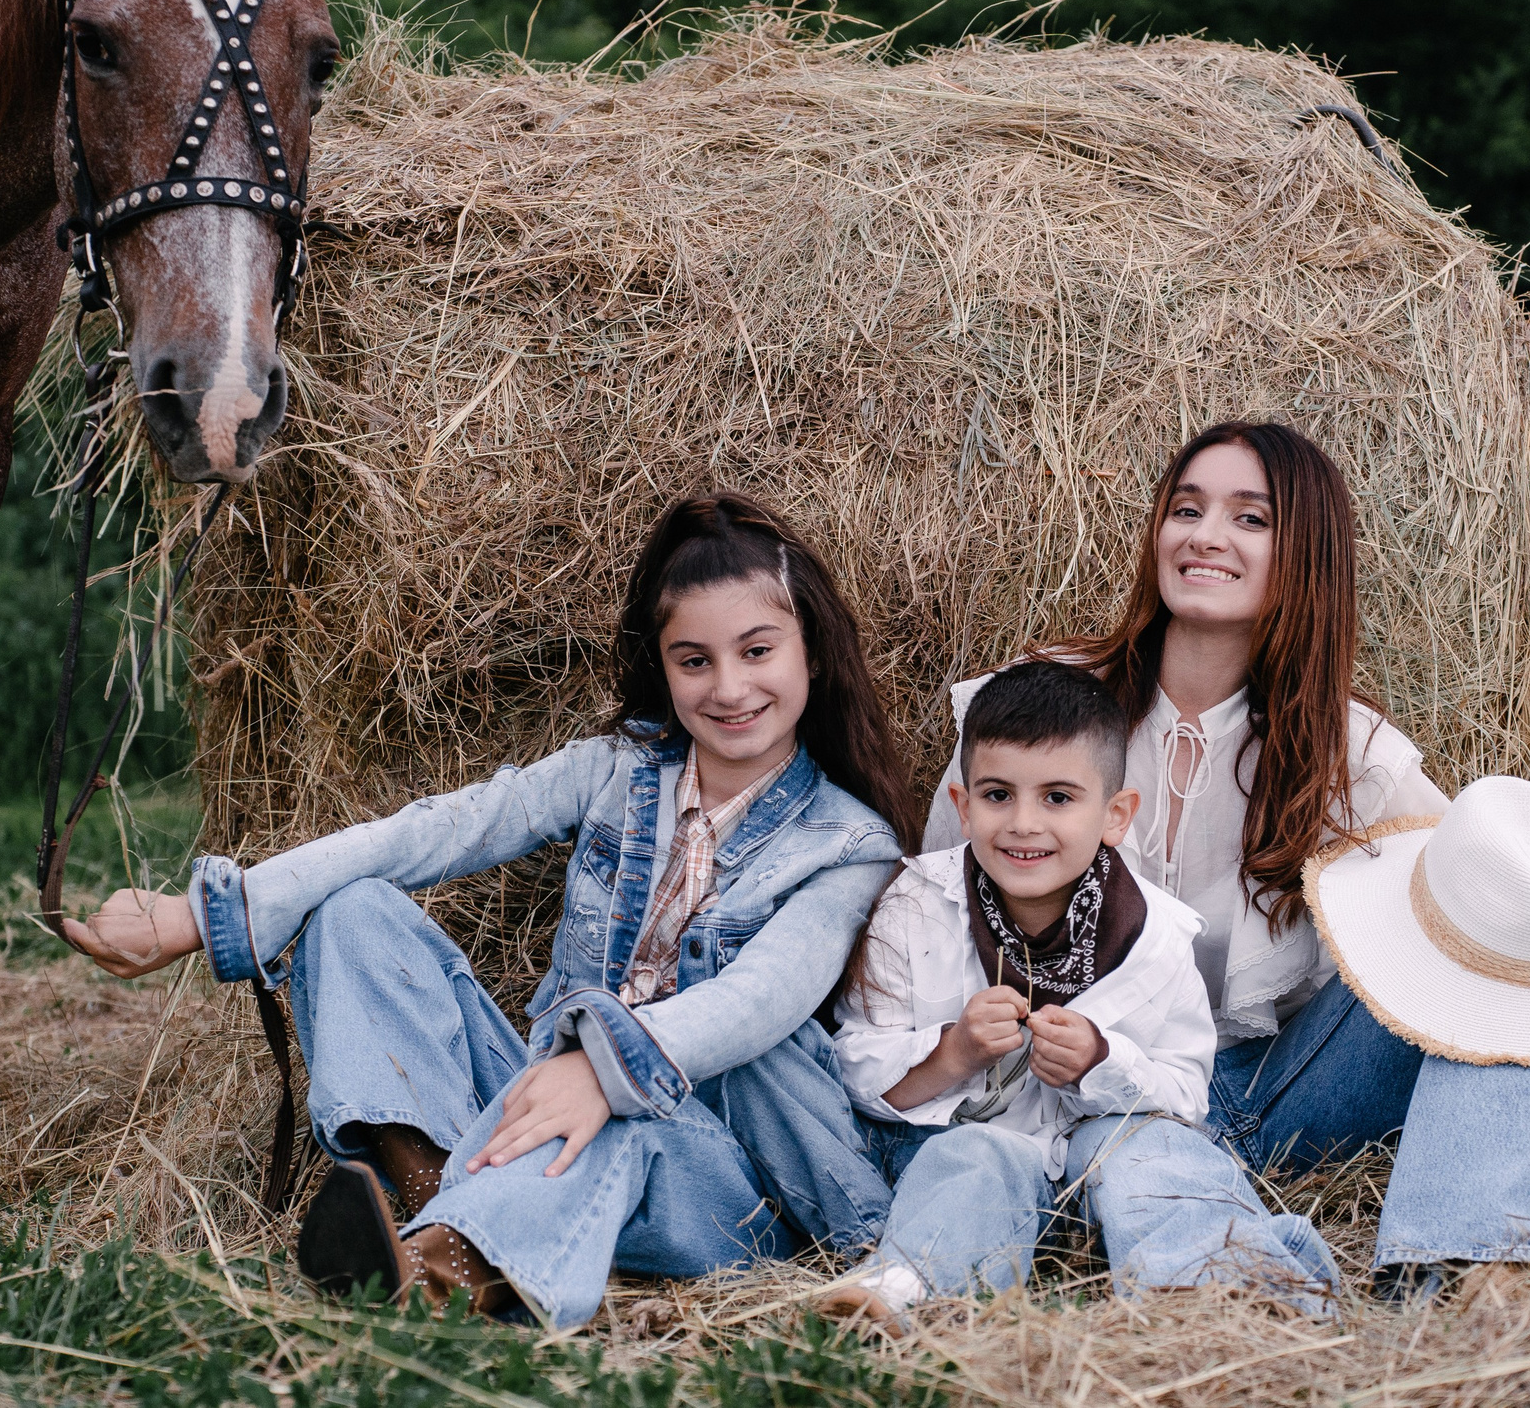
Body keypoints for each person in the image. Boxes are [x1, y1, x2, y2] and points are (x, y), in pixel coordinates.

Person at [58, 493, 918, 1330]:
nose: (728, 686)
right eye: (694, 660)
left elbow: (756, 999)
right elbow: (436, 830)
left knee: (619, 1121)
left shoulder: (849, 845)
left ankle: (441, 1275)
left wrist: (604, 1072)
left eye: (757, 650)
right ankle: (435, 1188)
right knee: (353, 911)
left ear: (812, 651)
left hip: (715, 1181)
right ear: (662, 665)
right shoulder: (618, 770)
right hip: (536, 1105)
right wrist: (210, 914)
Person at [924, 421, 1530, 1302]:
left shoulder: (1350, 754)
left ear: (1305, 554)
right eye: (1187, 509)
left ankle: (1471, 1282)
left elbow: (1503, 903)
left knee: (1494, 966)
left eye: (1250, 518)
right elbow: (936, 897)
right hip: (1094, 1094)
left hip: (1276, 1087)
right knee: (1134, 1148)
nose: (1206, 535)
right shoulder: (1043, 703)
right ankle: (1236, 1290)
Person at [821, 661, 1337, 1333]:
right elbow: (853, 1066)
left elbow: (1186, 1093)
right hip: (976, 1155)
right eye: (998, 794)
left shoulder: (1156, 933)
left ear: (1115, 815)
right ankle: (910, 1292)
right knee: (970, 1160)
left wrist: (1102, 1061)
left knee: (1156, 1153)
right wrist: (953, 1054)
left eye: (1058, 797)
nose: (1023, 823)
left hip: (1103, 1156)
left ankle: (1224, 1289)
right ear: (963, 806)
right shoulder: (913, 906)